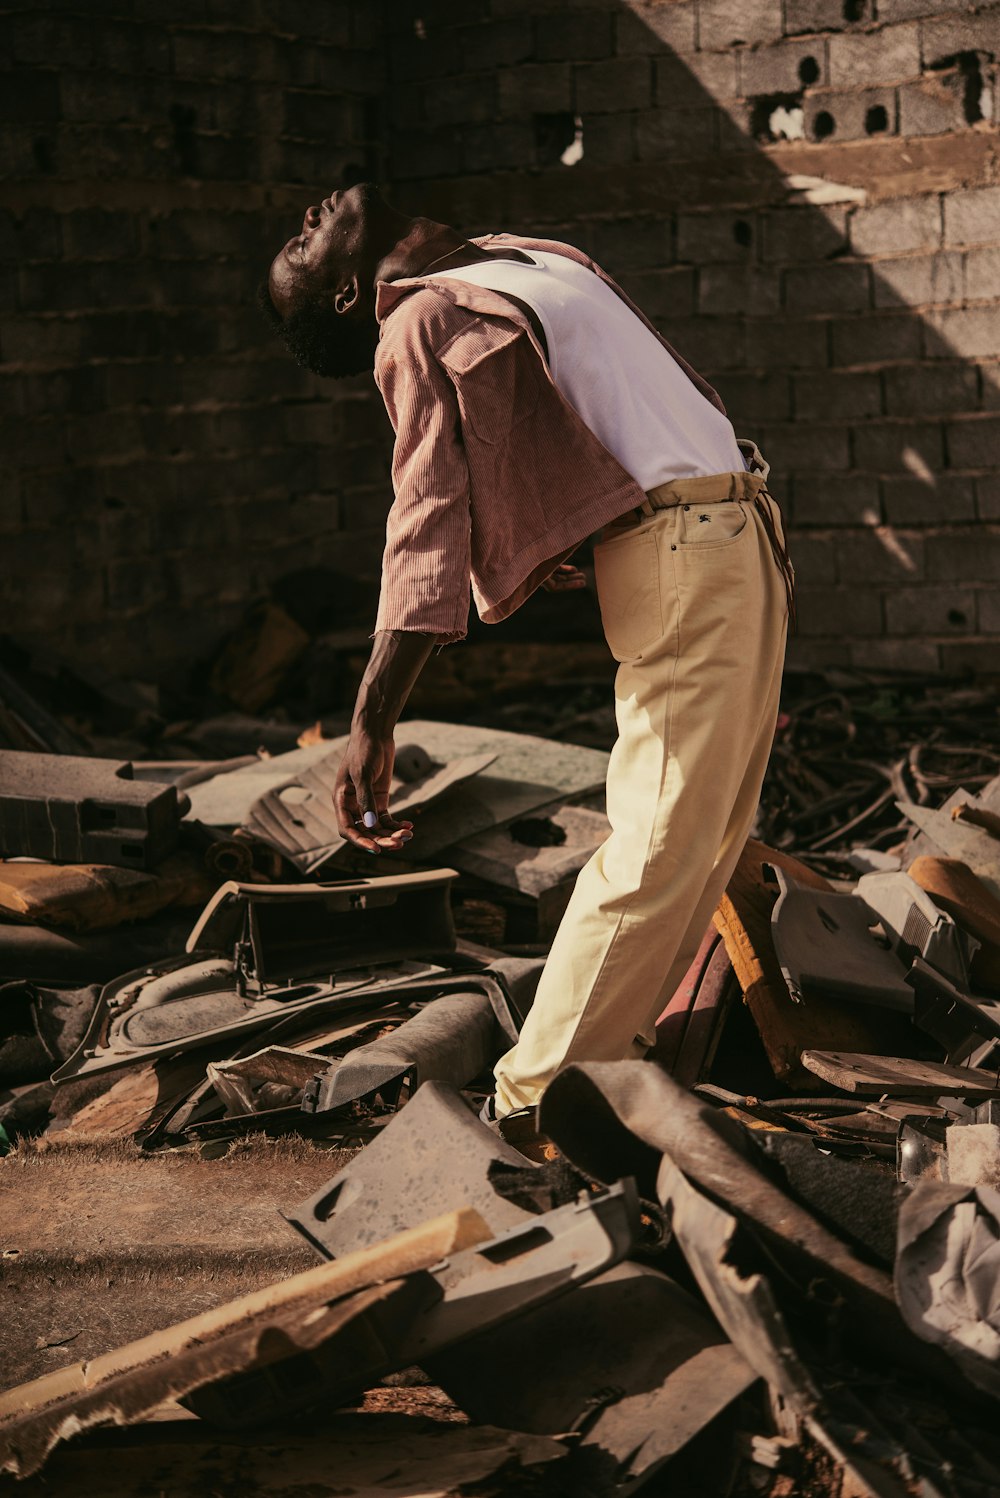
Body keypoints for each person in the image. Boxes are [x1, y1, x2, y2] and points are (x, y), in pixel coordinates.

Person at [261, 181, 794, 1125]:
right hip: (685, 552)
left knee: (707, 845)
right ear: (346, 295)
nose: (304, 221)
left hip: (737, 531)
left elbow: (566, 429)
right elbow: (424, 516)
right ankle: (535, 1105)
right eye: (299, 249)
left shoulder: (508, 259)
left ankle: (613, 1074)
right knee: (660, 846)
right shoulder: (415, 325)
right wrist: (372, 717)